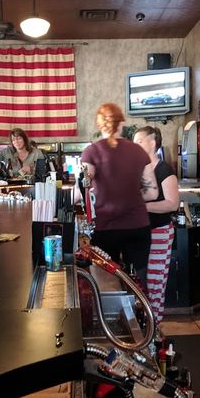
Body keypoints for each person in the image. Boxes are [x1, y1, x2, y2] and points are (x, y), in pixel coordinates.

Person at [80, 103, 158, 280]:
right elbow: (152, 193)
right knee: (138, 280)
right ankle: (141, 307)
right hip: (138, 225)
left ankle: (116, 308)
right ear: (121, 124)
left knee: (108, 282)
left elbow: (83, 189)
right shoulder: (138, 151)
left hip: (107, 227)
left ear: (99, 125)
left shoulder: (91, 152)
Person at [133, 126, 179, 325]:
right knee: (141, 281)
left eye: (139, 141)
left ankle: (155, 327)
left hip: (159, 231)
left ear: (152, 143)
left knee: (155, 282)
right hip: (140, 233)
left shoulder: (164, 170)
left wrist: (143, 206)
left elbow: (172, 203)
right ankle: (147, 325)